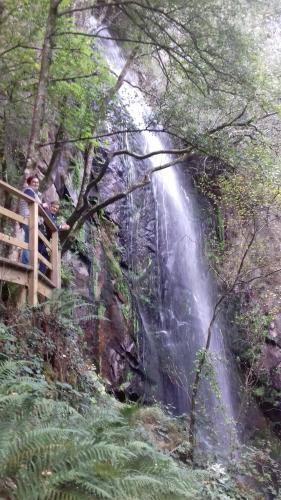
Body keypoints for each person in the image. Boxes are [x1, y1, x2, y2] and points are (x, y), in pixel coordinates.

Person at [18, 176, 46, 265]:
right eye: (34, 182)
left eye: (37, 182)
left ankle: (27, 262)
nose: (36, 184)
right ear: (29, 183)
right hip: (28, 218)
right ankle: (26, 263)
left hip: (28, 218)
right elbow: (32, 202)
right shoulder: (28, 191)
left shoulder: (32, 192)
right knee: (28, 241)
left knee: (29, 241)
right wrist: (42, 206)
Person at [38, 201, 70, 274]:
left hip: (44, 239)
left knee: (44, 254)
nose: (55, 209)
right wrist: (62, 227)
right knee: (40, 252)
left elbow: (53, 225)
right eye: (53, 207)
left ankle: (40, 274)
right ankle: (39, 273)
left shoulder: (53, 216)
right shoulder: (47, 211)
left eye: (56, 208)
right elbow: (53, 225)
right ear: (50, 206)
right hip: (40, 237)